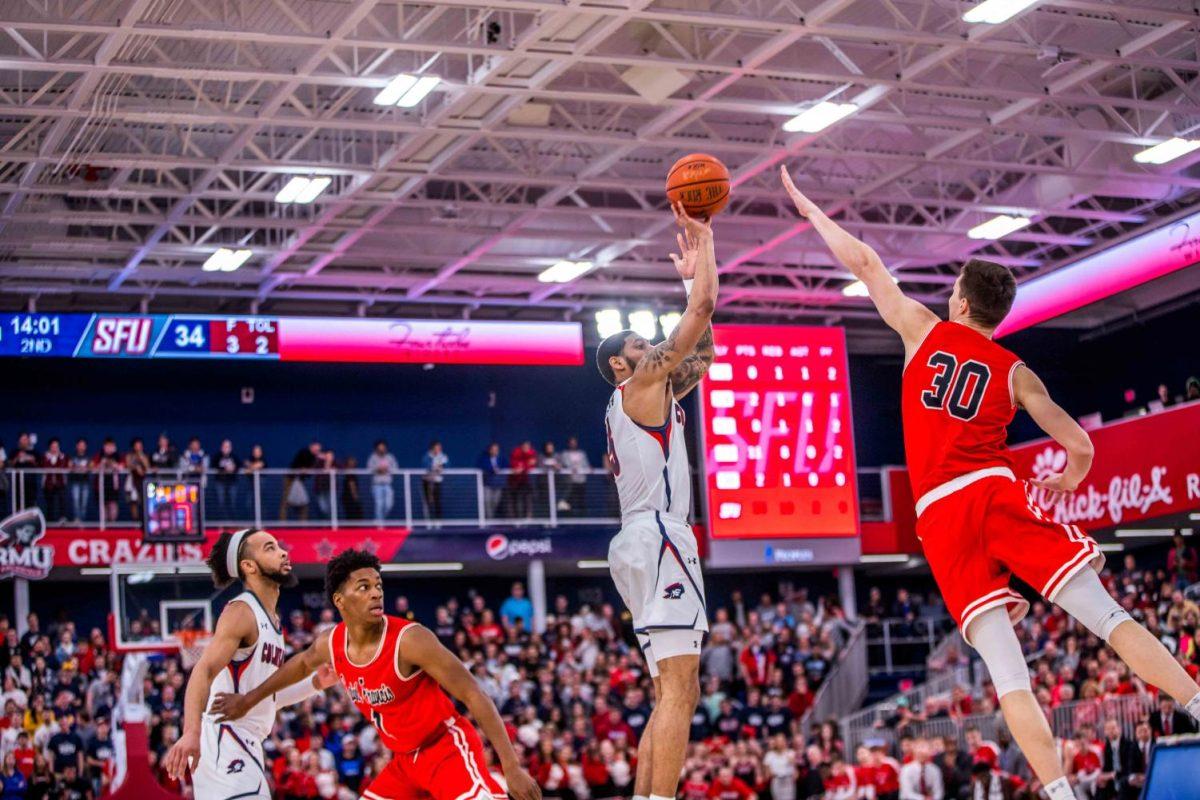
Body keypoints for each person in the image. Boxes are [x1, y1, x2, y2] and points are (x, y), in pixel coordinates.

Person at [783, 167, 1200, 800]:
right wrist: (1067, 479)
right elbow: (1081, 446)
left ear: (959, 302)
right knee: (1109, 617)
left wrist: (811, 211)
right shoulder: (1015, 371)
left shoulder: (922, 329)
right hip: (995, 489)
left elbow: (866, 262)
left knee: (1010, 677)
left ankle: (1059, 795)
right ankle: (1196, 701)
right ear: (999, 314)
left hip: (941, 514)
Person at [209, 549, 541, 800]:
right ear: (340, 600)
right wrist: (248, 700)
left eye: (378, 585)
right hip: (403, 763)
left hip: (445, 749)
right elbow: (300, 663)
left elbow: (474, 694)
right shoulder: (332, 642)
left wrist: (510, 766)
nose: (376, 593)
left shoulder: (411, 640)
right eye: (364, 587)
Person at [594, 202, 716, 800]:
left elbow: (704, 351)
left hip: (639, 538)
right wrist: (704, 250)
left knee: (672, 690)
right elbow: (702, 312)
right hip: (661, 536)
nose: (653, 347)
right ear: (620, 363)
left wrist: (695, 282)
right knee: (681, 688)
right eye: (642, 343)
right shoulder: (638, 384)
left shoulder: (640, 395)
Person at [161, 528, 337, 798]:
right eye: (269, 548)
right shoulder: (242, 612)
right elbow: (203, 669)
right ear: (248, 566)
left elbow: (268, 697)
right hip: (224, 736)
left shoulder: (273, 621)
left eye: (278, 545)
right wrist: (190, 732)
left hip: (246, 741)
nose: (282, 552)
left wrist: (315, 683)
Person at [367, 440, 398, 524]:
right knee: (379, 505)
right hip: (377, 485)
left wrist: (387, 469)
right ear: (376, 448)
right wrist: (378, 470)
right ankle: (379, 525)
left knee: (389, 504)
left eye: (383, 447)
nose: (382, 449)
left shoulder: (390, 457)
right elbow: (369, 469)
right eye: (380, 447)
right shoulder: (372, 457)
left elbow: (395, 468)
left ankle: (380, 520)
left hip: (387, 484)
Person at [560, 437, 591, 517]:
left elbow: (586, 464)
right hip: (571, 481)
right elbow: (565, 464)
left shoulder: (581, 453)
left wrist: (589, 468)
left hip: (581, 480)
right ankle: (570, 518)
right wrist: (571, 469)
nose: (573, 444)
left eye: (574, 442)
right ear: (568, 444)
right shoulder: (565, 454)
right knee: (569, 501)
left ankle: (583, 518)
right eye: (571, 442)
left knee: (581, 500)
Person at [39, 438, 67, 523]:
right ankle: (50, 521)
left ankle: (62, 519)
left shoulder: (62, 456)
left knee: (62, 501)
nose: (54, 448)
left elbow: (64, 466)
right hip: (48, 484)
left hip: (60, 483)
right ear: (50, 447)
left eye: (56, 446)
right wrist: (49, 459)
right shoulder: (45, 456)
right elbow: (43, 466)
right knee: (49, 503)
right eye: (53, 446)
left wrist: (59, 457)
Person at [507, 441, 537, 519]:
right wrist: (525, 465)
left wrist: (523, 467)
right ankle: (518, 520)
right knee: (517, 501)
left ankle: (528, 518)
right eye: (524, 447)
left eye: (528, 447)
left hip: (526, 481)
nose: (526, 448)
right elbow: (514, 465)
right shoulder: (515, 453)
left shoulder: (532, 453)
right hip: (515, 482)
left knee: (528, 501)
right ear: (521, 447)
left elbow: (531, 465)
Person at [213, 439, 240, 520]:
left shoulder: (234, 457)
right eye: (224, 447)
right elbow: (214, 465)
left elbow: (239, 465)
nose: (226, 448)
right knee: (221, 503)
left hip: (232, 483)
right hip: (220, 483)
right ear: (221, 448)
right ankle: (222, 522)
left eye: (228, 447)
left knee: (232, 503)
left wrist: (233, 468)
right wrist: (224, 469)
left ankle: (232, 522)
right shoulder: (217, 457)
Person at [476, 443, 506, 519]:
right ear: (489, 450)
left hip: (498, 484)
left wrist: (499, 468)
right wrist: (492, 470)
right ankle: (490, 519)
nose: (495, 451)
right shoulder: (484, 458)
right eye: (493, 449)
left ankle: (491, 517)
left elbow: (506, 465)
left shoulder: (501, 458)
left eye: (496, 450)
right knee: (487, 501)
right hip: (487, 483)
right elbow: (481, 466)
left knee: (495, 502)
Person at [124, 437, 150, 521]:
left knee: (143, 502)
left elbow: (147, 466)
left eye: (140, 445)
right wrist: (136, 467)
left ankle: (144, 521)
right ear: (133, 446)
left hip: (142, 482)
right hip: (132, 482)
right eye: (137, 445)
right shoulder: (129, 455)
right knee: (133, 503)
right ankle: (135, 521)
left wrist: (141, 457)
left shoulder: (144, 455)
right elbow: (128, 465)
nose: (138, 447)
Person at [422, 441, 448, 523]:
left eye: (440, 448)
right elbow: (427, 466)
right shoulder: (427, 456)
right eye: (437, 448)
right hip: (427, 481)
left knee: (437, 502)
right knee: (428, 502)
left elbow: (446, 465)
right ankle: (428, 521)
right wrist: (434, 468)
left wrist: (440, 467)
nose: (439, 449)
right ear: (433, 448)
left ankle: (438, 521)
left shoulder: (442, 456)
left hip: (437, 482)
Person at [67, 438, 91, 524]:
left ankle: (82, 521)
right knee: (76, 501)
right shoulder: (72, 457)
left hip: (85, 483)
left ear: (85, 447)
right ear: (77, 446)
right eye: (80, 445)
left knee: (84, 503)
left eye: (83, 445)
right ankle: (77, 519)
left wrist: (85, 468)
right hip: (75, 482)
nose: (81, 447)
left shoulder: (88, 457)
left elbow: (90, 467)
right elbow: (70, 467)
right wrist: (76, 468)